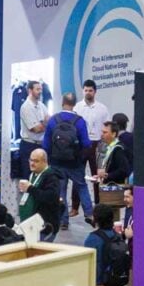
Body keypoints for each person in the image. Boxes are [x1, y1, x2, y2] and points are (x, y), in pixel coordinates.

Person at [43, 92, 93, 228]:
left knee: (61, 191)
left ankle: (63, 221)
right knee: (82, 186)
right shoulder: (80, 121)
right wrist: (80, 157)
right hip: (75, 163)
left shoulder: (53, 120)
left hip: (56, 163)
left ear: (62, 102)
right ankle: (89, 214)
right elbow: (87, 144)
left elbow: (45, 145)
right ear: (75, 104)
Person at [20, 149, 66, 241]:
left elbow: (50, 197)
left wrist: (30, 189)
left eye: (36, 161)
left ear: (45, 161)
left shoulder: (52, 177)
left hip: (44, 227)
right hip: (31, 225)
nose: (32, 163)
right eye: (31, 160)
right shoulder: (33, 174)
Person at [16, 80, 47, 180]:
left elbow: (48, 124)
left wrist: (44, 124)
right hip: (29, 146)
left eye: (41, 89)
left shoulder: (42, 106)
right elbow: (36, 129)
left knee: (41, 179)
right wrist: (45, 124)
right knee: (28, 178)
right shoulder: (26, 107)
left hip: (41, 145)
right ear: (30, 90)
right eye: (37, 89)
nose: (40, 91)